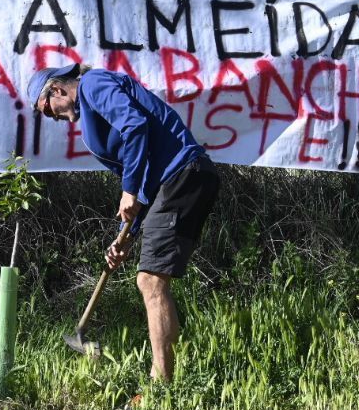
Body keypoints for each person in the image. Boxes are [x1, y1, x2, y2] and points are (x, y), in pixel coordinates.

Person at [27, 63, 220, 382]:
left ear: (57, 90)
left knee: (150, 281)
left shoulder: (92, 84)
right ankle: (164, 382)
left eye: (48, 110)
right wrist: (124, 237)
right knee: (151, 280)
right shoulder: (89, 111)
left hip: (183, 175)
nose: (54, 118)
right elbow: (141, 170)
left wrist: (128, 190)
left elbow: (134, 125)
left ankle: (161, 387)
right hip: (176, 181)